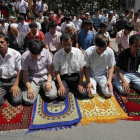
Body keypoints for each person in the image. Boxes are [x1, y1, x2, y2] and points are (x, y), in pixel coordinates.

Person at [22, 39, 57, 105]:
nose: (37, 57)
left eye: (38, 54)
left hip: (45, 77)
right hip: (33, 78)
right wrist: (29, 87)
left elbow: (50, 68)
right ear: (29, 50)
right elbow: (25, 73)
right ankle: (37, 89)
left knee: (53, 95)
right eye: (34, 55)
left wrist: (49, 81)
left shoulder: (46, 52)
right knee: (28, 101)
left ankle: (41, 89)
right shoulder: (24, 56)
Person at [53, 33, 88, 100]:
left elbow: (81, 68)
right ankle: (69, 88)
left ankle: (72, 89)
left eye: (68, 44)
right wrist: (60, 85)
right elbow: (56, 72)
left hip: (75, 77)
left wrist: (80, 83)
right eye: (64, 44)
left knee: (84, 94)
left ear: (72, 42)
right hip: (64, 78)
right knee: (61, 96)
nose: (66, 47)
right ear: (61, 43)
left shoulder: (78, 52)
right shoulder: (57, 55)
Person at [0, 34, 23, 106]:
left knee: (16, 101)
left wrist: (16, 85)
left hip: (13, 80)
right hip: (1, 81)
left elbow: (20, 70)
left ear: (7, 43)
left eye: (2, 42)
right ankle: (6, 92)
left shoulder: (16, 54)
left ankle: (16, 88)